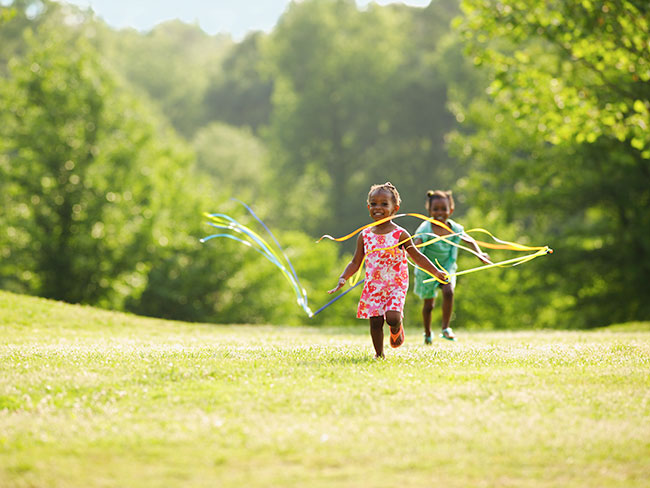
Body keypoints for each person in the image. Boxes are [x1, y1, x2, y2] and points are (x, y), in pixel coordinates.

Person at [328, 182, 448, 358]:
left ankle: (397, 328)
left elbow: (417, 257)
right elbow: (355, 262)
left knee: (392, 317)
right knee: (375, 322)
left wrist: (436, 272)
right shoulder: (365, 235)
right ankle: (379, 354)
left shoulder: (400, 234)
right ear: (368, 207)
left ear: (395, 208)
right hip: (373, 286)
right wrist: (343, 277)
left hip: (395, 285)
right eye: (374, 204)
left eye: (384, 204)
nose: (378, 207)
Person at [412, 190, 491, 343]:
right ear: (429, 211)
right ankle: (427, 333)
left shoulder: (454, 228)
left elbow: (469, 240)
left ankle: (445, 328)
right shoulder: (424, 229)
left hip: (446, 267)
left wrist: (479, 254)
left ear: (451, 210)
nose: (440, 213)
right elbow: (417, 244)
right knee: (429, 305)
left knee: (448, 291)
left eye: (443, 209)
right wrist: (409, 254)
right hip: (427, 270)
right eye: (435, 209)